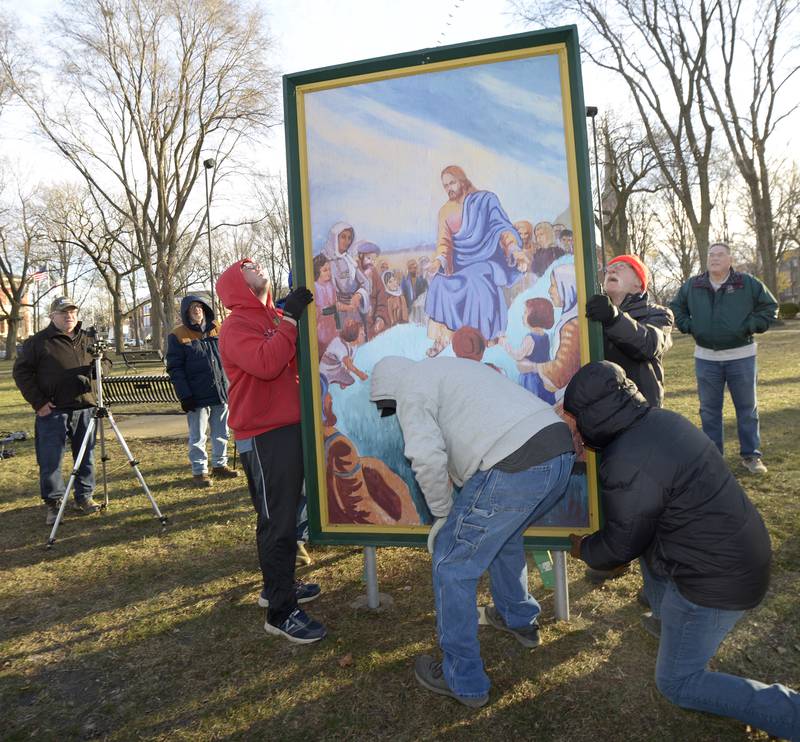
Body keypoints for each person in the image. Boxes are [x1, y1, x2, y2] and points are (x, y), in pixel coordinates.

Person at [564, 361, 799, 741]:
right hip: (740, 552)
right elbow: (643, 529)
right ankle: (667, 623)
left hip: (718, 582)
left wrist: (584, 549)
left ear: (593, 415)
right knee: (650, 555)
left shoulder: (625, 460)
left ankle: (791, 714)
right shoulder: (660, 421)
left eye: (574, 419)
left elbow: (620, 545)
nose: (573, 427)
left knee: (677, 683)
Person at [370, 356, 575, 708]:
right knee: (505, 534)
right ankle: (518, 618)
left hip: (513, 464)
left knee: (451, 564)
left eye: (389, 406)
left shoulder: (411, 388)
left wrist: (443, 517)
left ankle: (463, 681)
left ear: (391, 389)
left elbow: (426, 457)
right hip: (559, 452)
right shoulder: (451, 369)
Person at [216, 258, 325, 644]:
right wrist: (290, 321)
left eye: (258, 264)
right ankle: (281, 612)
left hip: (288, 425)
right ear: (235, 284)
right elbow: (265, 363)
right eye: (247, 266)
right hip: (263, 432)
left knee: (287, 512)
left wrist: (291, 319)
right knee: (276, 519)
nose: (258, 267)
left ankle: (276, 587)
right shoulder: (235, 326)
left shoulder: (274, 315)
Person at [670, 242, 778, 474]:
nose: (714, 258)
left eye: (720, 255)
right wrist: (690, 326)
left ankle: (751, 456)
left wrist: (750, 326)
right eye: (711, 255)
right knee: (709, 411)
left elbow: (770, 306)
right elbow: (676, 307)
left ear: (730, 260)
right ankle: (713, 458)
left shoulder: (746, 283)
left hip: (742, 357)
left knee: (747, 409)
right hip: (705, 358)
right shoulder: (693, 285)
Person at [13, 296, 109, 524]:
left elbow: (106, 361)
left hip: (85, 407)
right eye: (64, 312)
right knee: (50, 460)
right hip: (53, 411)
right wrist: (39, 403)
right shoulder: (38, 342)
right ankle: (54, 503)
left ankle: (84, 497)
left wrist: (99, 369)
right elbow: (22, 373)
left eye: (73, 312)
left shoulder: (88, 338)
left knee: (86, 457)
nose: (69, 316)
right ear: (52, 316)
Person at [424, 165, 528, 356]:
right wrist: (438, 262)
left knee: (474, 280)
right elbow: (444, 244)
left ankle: (480, 340)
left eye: (452, 183)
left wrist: (514, 249)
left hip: (486, 262)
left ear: (462, 180)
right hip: (459, 267)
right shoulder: (445, 211)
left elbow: (502, 229)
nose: (449, 189)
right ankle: (445, 338)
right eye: (445, 186)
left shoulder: (486, 200)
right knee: (439, 283)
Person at [166, 296, 237, 487]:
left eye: (199, 307)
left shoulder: (218, 328)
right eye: (192, 308)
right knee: (198, 435)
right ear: (186, 312)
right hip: (196, 395)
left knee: (222, 432)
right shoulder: (178, 335)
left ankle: (220, 465)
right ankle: (199, 471)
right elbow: (175, 368)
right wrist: (185, 395)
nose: (197, 310)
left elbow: (230, 355)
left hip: (222, 391)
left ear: (205, 309)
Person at [503, 297, 556, 404]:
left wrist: (504, 344)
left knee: (530, 403)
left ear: (535, 316)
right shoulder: (545, 336)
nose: (523, 315)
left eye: (526, 312)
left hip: (531, 380)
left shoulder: (530, 338)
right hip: (543, 378)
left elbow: (518, 355)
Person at [322, 222, 370, 330]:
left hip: (354, 309)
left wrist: (358, 295)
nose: (347, 241)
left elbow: (365, 282)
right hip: (338, 312)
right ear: (335, 238)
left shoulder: (349, 260)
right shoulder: (327, 261)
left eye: (349, 238)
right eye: (343, 237)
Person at [355, 240, 390, 338]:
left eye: (374, 259)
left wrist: (380, 318)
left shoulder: (374, 273)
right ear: (361, 257)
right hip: (359, 317)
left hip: (374, 317)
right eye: (368, 258)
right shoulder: (355, 271)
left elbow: (382, 297)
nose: (372, 261)